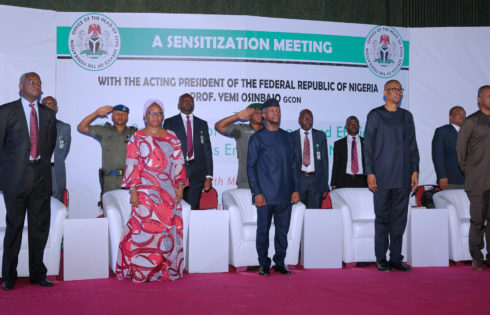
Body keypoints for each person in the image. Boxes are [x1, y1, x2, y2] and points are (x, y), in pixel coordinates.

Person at [116, 99, 188, 282]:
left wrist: (180, 187)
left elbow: (179, 162)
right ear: (144, 116)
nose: (155, 116)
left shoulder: (172, 136)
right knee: (145, 232)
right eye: (151, 113)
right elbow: (132, 163)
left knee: (168, 230)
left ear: (163, 116)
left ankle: (166, 269)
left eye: (159, 113)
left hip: (168, 192)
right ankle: (144, 270)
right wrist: (133, 191)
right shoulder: (137, 136)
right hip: (145, 193)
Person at [0, 72, 57, 290]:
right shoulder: (6, 112)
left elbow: (49, 146)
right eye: (32, 82)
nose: (36, 85)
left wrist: (38, 164)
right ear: (21, 86)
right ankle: (9, 276)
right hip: (15, 180)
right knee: (14, 227)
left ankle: (37, 274)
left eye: (39, 83)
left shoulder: (48, 114)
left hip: (41, 178)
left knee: (39, 228)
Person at [364, 80, 419, 272]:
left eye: (400, 90)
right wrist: (370, 172)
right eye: (394, 89)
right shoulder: (375, 115)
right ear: (385, 93)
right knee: (382, 219)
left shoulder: (407, 117)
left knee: (399, 219)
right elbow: (368, 147)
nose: (398, 93)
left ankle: (396, 258)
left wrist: (415, 170)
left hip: (403, 176)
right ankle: (381, 258)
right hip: (382, 177)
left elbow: (412, 145)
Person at [247, 98, 300, 276]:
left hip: (285, 194)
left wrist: (296, 189)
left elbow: (294, 165)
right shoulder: (257, 138)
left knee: (282, 232)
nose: (276, 113)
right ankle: (263, 263)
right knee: (262, 231)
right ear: (263, 115)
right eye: (272, 110)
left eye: (278, 110)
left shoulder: (288, 137)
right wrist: (257, 192)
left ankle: (280, 262)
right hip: (265, 195)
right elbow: (251, 167)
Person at [456, 85, 490, 271]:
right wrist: (468, 171)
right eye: (489, 95)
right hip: (477, 181)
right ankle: (476, 256)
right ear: (479, 99)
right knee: (478, 220)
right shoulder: (472, 121)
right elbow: (460, 149)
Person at [163, 93, 213, 210]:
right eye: (184, 100)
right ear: (179, 105)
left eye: (190, 100)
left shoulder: (202, 124)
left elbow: (207, 150)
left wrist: (209, 176)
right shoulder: (169, 122)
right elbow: (165, 149)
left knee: (192, 208)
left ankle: (189, 229)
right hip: (175, 173)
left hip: (197, 173)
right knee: (175, 208)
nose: (188, 102)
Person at [77, 104, 137, 198]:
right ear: (112, 116)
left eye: (123, 114)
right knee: (110, 210)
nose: (120, 116)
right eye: (117, 113)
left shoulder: (134, 132)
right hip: (110, 180)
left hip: (129, 179)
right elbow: (81, 127)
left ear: (127, 117)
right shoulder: (104, 130)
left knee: (130, 210)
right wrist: (96, 113)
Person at [215, 103, 263, 188]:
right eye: (256, 112)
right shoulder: (241, 130)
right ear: (249, 115)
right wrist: (237, 116)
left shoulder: (270, 132)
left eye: (261, 112)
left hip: (268, 181)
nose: (259, 115)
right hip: (246, 181)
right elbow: (219, 126)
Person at [291, 109, 329, 208]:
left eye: (311, 118)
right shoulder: (291, 137)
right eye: (305, 118)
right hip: (299, 181)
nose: (308, 120)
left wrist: (325, 186)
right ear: (299, 120)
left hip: (316, 181)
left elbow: (325, 161)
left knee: (314, 216)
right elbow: (289, 164)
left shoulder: (320, 136)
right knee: (298, 216)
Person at [41, 96, 71, 203]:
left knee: (57, 201)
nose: (49, 106)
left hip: (56, 170)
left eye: (52, 104)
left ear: (56, 108)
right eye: (46, 104)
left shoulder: (64, 127)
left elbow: (64, 150)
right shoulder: (33, 126)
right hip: (38, 169)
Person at [432, 106, 466, 190]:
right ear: (450, 117)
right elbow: (438, 156)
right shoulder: (442, 131)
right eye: (458, 113)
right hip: (451, 181)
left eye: (464, 114)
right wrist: (442, 176)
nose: (462, 115)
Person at [331, 116, 368, 189]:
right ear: (346, 127)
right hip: (344, 181)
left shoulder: (367, 143)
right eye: (351, 123)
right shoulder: (339, 144)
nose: (354, 125)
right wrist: (333, 183)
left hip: (362, 181)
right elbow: (336, 165)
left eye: (356, 123)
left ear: (359, 127)